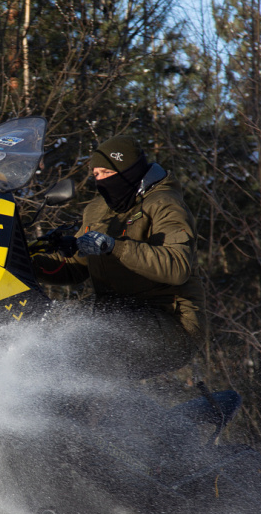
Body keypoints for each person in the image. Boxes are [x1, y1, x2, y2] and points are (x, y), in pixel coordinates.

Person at [32, 135, 205, 378]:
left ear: (128, 171)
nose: (101, 180)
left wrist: (115, 247)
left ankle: (87, 401)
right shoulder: (98, 210)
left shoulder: (164, 204)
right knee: (47, 327)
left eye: (106, 172)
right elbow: (74, 267)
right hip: (116, 314)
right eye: (96, 174)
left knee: (92, 336)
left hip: (171, 323)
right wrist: (23, 261)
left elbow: (176, 267)